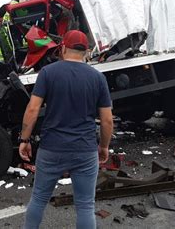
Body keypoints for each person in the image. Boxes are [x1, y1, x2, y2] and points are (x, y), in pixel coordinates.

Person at [19, 30, 114, 228]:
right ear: (87, 51)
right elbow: (106, 121)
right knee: (86, 206)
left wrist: (24, 140)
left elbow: (33, 109)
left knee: (38, 199)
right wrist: (104, 147)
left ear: (62, 48)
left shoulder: (48, 73)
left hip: (51, 148)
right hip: (85, 149)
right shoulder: (98, 78)